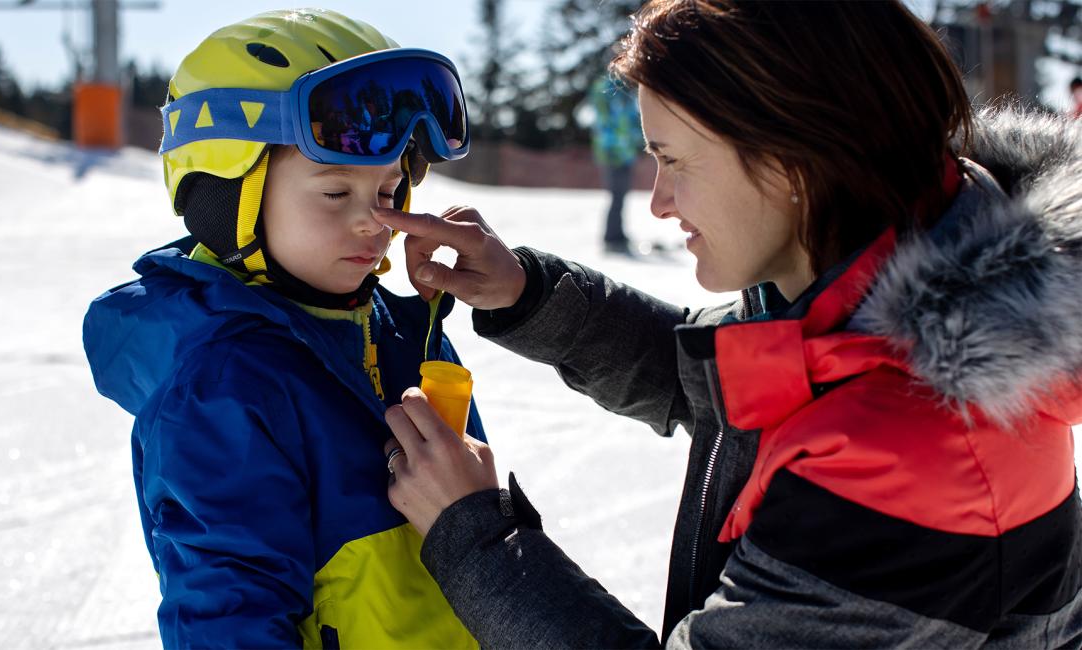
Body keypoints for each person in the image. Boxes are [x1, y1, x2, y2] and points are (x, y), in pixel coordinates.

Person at [373, 1, 1082, 647]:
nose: (658, 202)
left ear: (791, 158)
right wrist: (526, 291)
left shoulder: (923, 455)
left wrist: (473, 532)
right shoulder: (875, 285)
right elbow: (716, 378)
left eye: (675, 161)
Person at [81, 10, 482, 648]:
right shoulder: (225, 385)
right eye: (333, 194)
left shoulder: (401, 331)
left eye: (388, 191)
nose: (373, 222)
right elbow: (228, 615)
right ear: (225, 195)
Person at [588, 71, 641, 254]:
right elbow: (604, 121)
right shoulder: (604, 89)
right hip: (611, 152)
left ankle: (618, 233)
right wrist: (609, 148)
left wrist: (638, 142)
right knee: (616, 195)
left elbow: (633, 120)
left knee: (622, 194)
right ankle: (611, 237)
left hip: (625, 153)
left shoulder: (628, 91)